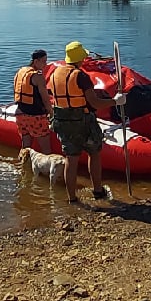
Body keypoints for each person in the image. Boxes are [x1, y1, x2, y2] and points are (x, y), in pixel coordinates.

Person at [48, 41, 126, 203]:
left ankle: (72, 198)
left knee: (71, 158)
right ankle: (97, 191)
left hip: (63, 122)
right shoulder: (81, 76)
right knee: (94, 153)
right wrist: (115, 101)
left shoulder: (55, 73)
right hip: (83, 121)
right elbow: (95, 103)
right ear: (80, 58)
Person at [13, 49, 57, 154]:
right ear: (36, 61)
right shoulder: (38, 77)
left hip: (20, 113)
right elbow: (45, 99)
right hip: (35, 117)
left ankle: (23, 164)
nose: (45, 64)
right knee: (46, 150)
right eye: (44, 61)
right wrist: (52, 113)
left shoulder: (21, 71)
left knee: (25, 148)